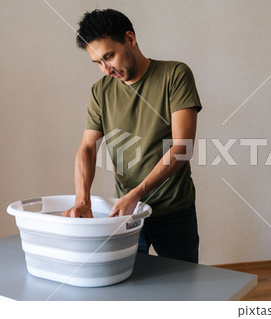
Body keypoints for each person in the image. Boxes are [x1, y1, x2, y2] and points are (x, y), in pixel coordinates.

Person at [62, 9, 202, 263]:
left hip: (173, 212)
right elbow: (87, 148)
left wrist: (137, 193)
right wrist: (82, 199)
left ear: (130, 39)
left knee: (181, 293)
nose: (106, 70)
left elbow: (183, 146)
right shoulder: (100, 91)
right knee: (127, 291)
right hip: (125, 214)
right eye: (98, 63)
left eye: (109, 56)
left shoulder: (175, 75)